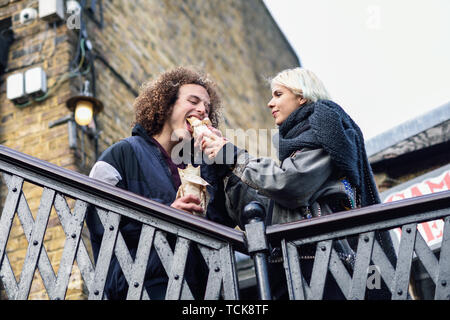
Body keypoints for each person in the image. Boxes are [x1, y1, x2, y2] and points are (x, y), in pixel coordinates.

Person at [197, 67, 397, 299]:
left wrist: (232, 155)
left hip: (321, 259)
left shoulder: (324, 125)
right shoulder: (299, 143)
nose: (270, 103)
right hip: (294, 259)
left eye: (278, 94)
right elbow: (268, 204)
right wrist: (225, 165)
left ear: (302, 96)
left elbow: (289, 183)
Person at [85, 66, 236, 300]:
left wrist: (224, 163)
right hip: (142, 284)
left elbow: (222, 223)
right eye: (193, 101)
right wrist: (166, 215)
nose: (202, 111)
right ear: (166, 106)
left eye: (206, 108)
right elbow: (102, 222)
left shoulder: (200, 167)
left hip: (199, 291)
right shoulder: (122, 154)